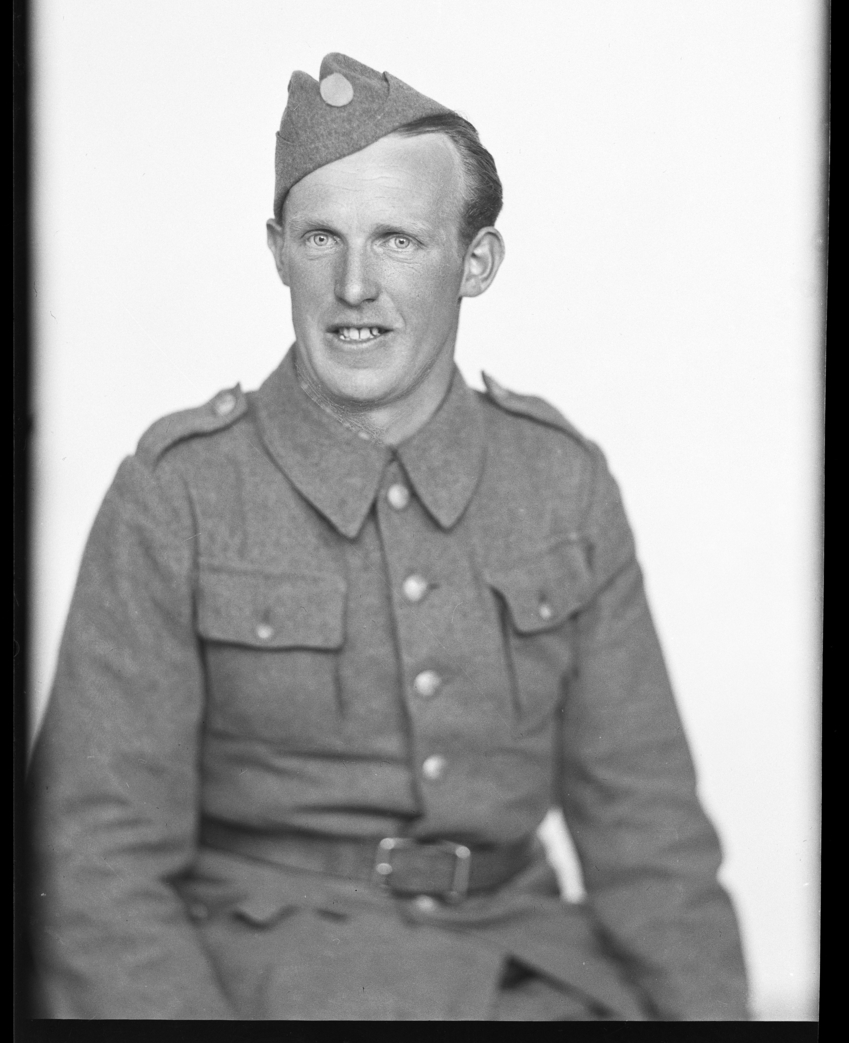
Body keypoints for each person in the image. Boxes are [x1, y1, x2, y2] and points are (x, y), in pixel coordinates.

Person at [30, 53, 749, 1020]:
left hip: (515, 970)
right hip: (262, 980)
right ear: (278, 252)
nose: (354, 285)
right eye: (320, 238)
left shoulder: (560, 485)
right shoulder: (178, 494)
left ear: (476, 263)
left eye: (399, 240)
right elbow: (92, 861)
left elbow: (648, 835)